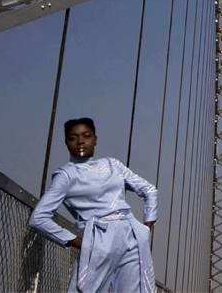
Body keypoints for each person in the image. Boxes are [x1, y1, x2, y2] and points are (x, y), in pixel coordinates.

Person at [29, 117, 159, 293]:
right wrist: (81, 243)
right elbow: (38, 218)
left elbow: (150, 190)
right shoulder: (66, 175)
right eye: (73, 138)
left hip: (132, 237)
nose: (80, 141)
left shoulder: (112, 164)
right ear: (66, 142)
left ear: (95, 139)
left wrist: (146, 228)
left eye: (86, 136)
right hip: (99, 239)